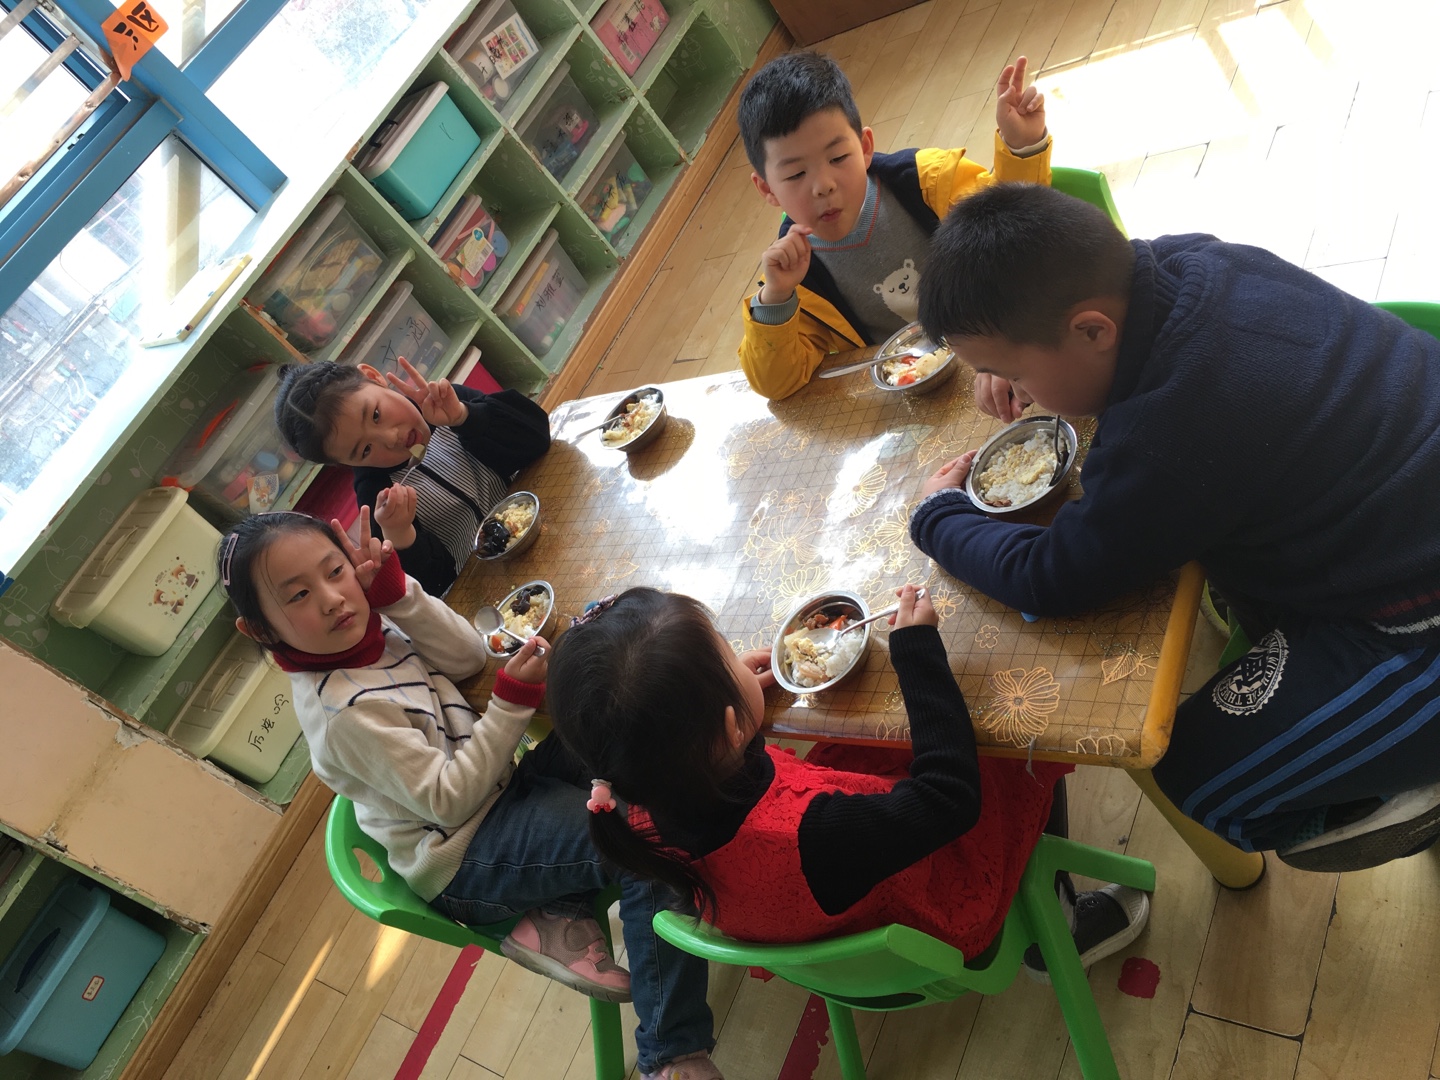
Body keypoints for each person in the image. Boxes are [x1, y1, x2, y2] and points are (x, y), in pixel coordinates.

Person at [909, 182, 1440, 873]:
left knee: (1194, 773)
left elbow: (1049, 577)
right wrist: (1021, 363)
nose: (1018, 391)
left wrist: (939, 516)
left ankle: (1396, 786)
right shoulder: (1192, 261)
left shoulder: (1169, 434)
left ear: (1093, 330)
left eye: (1012, 373)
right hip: (1394, 499)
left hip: (1415, 623)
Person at [217, 511, 720, 1080]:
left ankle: (567, 903)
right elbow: (448, 801)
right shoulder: (344, 714)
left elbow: (469, 657)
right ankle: (671, 1055)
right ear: (260, 631)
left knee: (614, 717)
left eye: (336, 571)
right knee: (640, 839)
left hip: (499, 792)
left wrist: (397, 595)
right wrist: (509, 705)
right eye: (299, 595)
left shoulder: (371, 627)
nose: (334, 598)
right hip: (466, 856)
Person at [546, 585, 1150, 980]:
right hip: (938, 905)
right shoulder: (815, 833)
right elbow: (951, 797)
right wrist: (917, 652)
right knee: (1013, 740)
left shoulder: (642, 802)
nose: (742, 660)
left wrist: (735, 713)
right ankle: (1060, 927)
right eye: (729, 656)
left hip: (818, 915)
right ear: (728, 730)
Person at [734, 50, 1052, 401]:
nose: (823, 185)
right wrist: (776, 298)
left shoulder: (928, 183)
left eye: (838, 157)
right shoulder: (797, 277)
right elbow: (778, 383)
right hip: (911, 397)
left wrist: (1023, 147)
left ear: (865, 147)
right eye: (796, 174)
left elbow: (1019, 236)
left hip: (1004, 350)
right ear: (767, 188)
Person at [273, 357, 549, 596]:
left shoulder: (448, 404)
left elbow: (537, 439)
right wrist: (402, 536)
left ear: (373, 377)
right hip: (499, 583)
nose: (391, 438)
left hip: (548, 516)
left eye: (376, 415)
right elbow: (437, 586)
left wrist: (465, 417)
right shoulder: (378, 499)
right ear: (344, 464)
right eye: (365, 450)